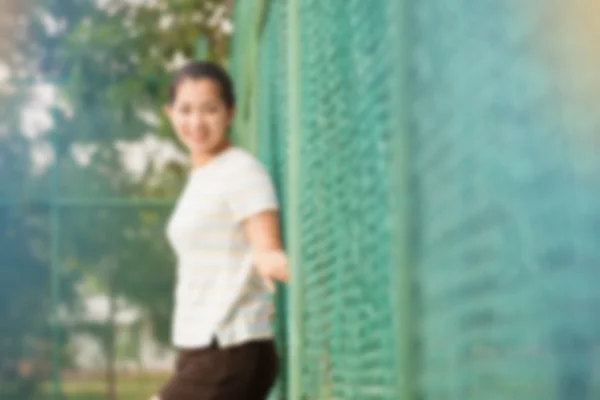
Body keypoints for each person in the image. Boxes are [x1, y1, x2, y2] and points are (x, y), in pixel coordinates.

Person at [153, 61, 290, 400]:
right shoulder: (204, 174)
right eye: (185, 110)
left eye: (209, 110)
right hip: (201, 345)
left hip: (230, 344)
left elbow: (267, 250)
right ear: (170, 113)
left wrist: (289, 270)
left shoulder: (240, 171)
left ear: (230, 113)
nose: (196, 122)